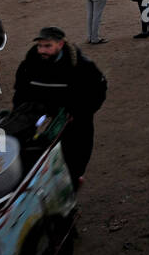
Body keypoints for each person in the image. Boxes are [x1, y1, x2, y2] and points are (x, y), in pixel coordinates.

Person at [12, 27, 108, 184]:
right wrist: (20, 112)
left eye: (48, 46)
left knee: (77, 152)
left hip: (73, 116)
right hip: (41, 114)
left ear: (61, 44)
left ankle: (74, 179)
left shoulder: (81, 66)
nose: (42, 50)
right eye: (40, 46)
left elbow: (98, 91)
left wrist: (79, 113)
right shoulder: (29, 63)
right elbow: (21, 91)